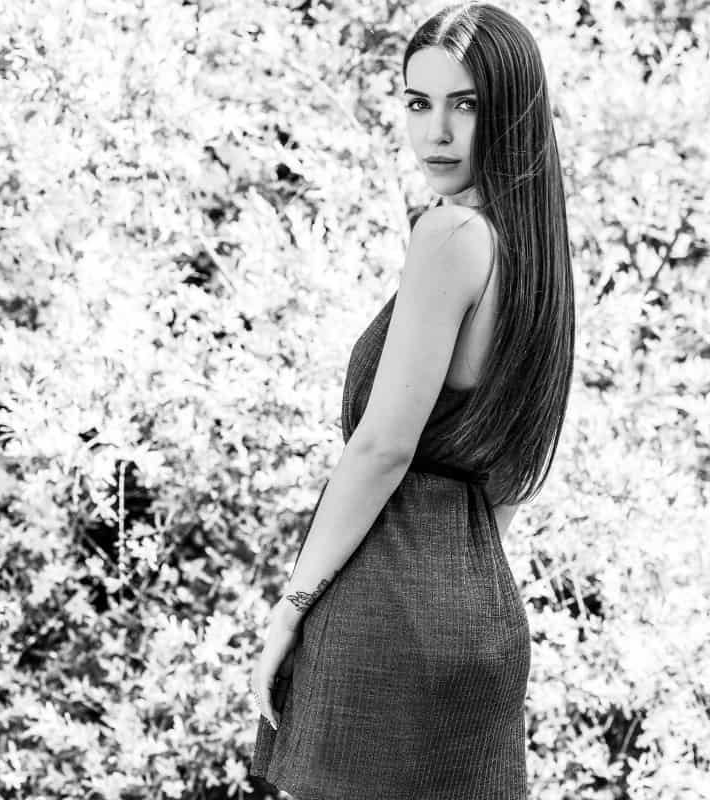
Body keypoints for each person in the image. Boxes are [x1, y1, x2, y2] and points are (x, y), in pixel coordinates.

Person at [248, 3, 575, 798]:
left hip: (386, 611)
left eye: (466, 105)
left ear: (512, 112)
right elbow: (511, 475)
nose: (437, 133)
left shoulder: (452, 235)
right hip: (483, 616)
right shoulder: (539, 259)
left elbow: (381, 447)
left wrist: (292, 606)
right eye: (418, 102)